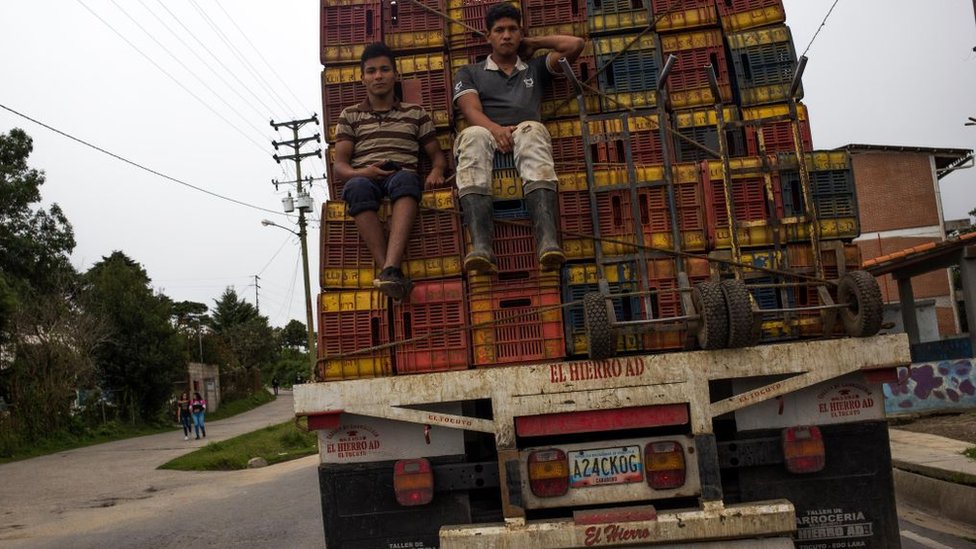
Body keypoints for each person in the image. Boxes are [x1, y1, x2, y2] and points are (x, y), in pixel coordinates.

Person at [452, 2, 585, 273]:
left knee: (533, 129)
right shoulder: (470, 72)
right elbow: (470, 110)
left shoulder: (534, 68)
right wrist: (496, 130)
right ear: (488, 36)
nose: (506, 36)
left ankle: (547, 242)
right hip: (488, 132)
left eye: (513, 29)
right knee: (472, 136)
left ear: (520, 33)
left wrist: (534, 42)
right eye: (499, 30)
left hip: (524, 133)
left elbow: (575, 45)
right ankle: (481, 247)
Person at [333, 42, 448, 301]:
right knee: (356, 188)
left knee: (407, 180)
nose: (378, 76)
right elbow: (340, 166)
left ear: (395, 75)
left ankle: (390, 268)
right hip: (366, 176)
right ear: (362, 78)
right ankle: (389, 272)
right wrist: (364, 172)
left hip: (401, 174)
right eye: (371, 71)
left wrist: (437, 170)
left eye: (384, 70)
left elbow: (437, 156)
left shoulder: (416, 113)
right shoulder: (349, 116)